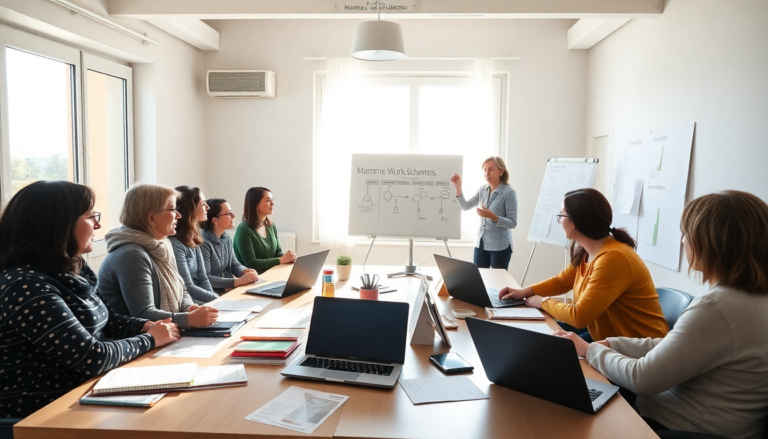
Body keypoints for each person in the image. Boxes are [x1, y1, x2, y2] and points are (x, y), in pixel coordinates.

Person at [557, 191, 768, 439]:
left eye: (687, 234)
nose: (683, 241)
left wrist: (591, 350)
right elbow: (675, 346)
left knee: (565, 412)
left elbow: (642, 378)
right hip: (703, 421)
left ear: (712, 243)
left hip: (676, 427)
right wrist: (614, 344)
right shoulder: (748, 299)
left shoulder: (718, 308)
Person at [0, 181, 179, 419]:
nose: (98, 224)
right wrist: (149, 339)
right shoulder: (24, 285)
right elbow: (91, 357)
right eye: (90, 216)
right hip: (41, 414)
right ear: (58, 224)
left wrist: (143, 326)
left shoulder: (72, 267)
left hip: (85, 394)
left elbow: (108, 318)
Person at [499, 188, 668, 342]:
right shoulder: (587, 250)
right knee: (534, 337)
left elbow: (579, 316)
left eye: (562, 216)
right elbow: (561, 282)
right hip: (606, 337)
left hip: (637, 348)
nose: (560, 222)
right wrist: (525, 292)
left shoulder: (613, 258)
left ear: (577, 222)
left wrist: (543, 302)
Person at [98, 184, 218, 329]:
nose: (179, 215)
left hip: (166, 333)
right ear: (151, 217)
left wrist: (189, 308)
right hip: (142, 341)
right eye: (173, 209)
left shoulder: (163, 244)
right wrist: (188, 319)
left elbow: (182, 288)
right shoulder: (131, 255)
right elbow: (143, 314)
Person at [450, 156, 517, 270]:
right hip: (481, 244)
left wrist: (493, 217)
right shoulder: (483, 189)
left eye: (491, 169)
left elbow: (512, 223)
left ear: (501, 171)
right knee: (479, 281)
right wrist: (458, 187)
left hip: (500, 246)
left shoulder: (508, 192)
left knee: (497, 283)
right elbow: (465, 206)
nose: (487, 172)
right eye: (485, 169)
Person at [200, 198, 259, 293]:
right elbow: (206, 278)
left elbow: (234, 264)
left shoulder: (226, 236)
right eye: (228, 213)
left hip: (229, 289)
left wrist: (244, 271)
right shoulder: (203, 242)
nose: (233, 216)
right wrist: (236, 281)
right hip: (213, 293)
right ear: (215, 220)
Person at [169, 186, 216, 304]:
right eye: (203, 203)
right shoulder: (175, 243)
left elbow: (203, 277)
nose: (208, 207)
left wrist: (215, 300)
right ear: (190, 208)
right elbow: (188, 286)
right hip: (189, 303)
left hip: (204, 299)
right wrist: (217, 299)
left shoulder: (193, 236)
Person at [233, 186, 296, 274]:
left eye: (272, 200)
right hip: (253, 279)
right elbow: (252, 263)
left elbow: (277, 252)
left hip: (270, 273)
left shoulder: (271, 225)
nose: (272, 204)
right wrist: (281, 260)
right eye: (268, 200)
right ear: (255, 204)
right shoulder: (244, 229)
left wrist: (289, 257)